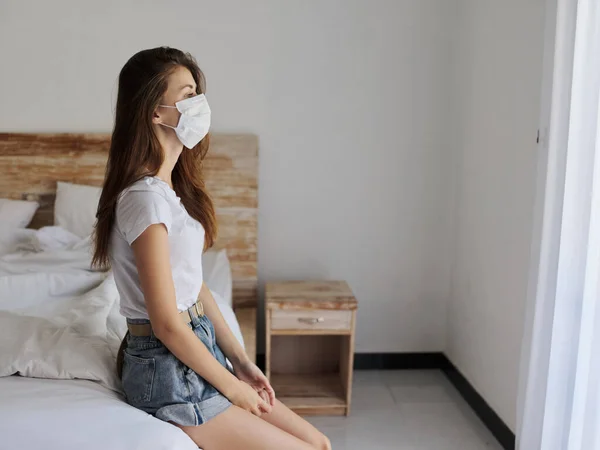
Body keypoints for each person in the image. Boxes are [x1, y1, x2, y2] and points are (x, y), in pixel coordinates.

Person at [92, 47, 331, 450]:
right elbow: (167, 322)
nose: (198, 105)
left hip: (195, 349)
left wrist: (240, 362)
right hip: (168, 368)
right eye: (186, 95)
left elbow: (194, 288)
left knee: (320, 444)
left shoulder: (168, 192)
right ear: (155, 111)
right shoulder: (144, 199)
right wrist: (232, 388)